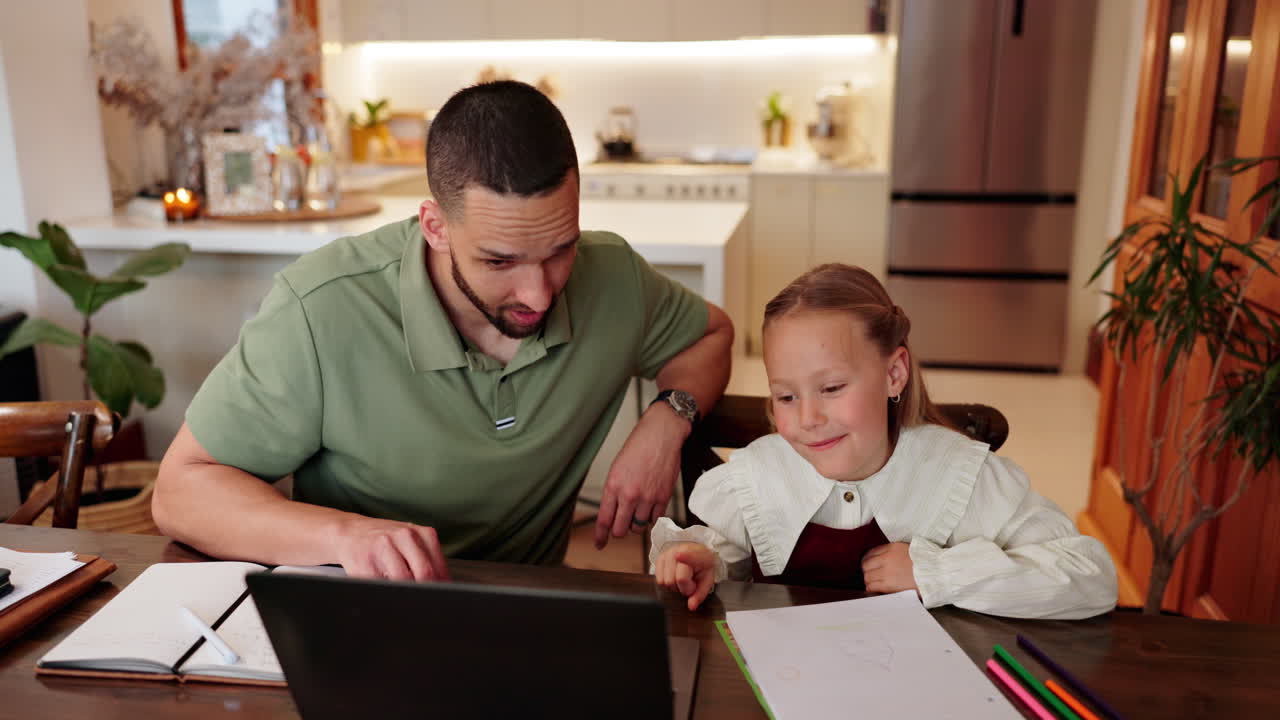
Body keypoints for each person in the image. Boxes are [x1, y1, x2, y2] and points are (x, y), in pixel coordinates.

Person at [152, 81, 734, 581]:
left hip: (531, 607)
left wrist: (669, 417)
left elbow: (709, 337)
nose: (539, 293)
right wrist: (344, 536)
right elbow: (182, 490)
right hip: (362, 606)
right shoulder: (320, 308)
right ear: (434, 226)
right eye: (500, 261)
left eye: (560, 250)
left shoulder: (613, 277)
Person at [650, 264, 1117, 620]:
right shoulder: (756, 475)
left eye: (832, 388)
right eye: (787, 397)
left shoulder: (961, 476)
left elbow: (1089, 575)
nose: (808, 419)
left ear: (894, 374)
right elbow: (724, 552)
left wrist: (935, 573)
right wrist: (703, 560)